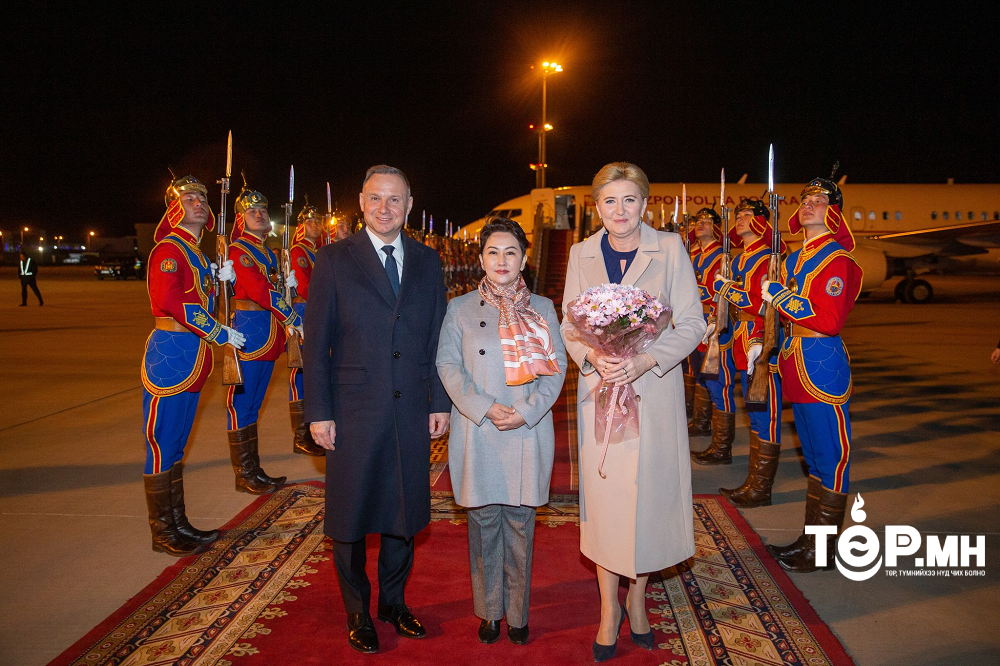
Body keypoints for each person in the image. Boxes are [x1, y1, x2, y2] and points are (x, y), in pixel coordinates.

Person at [303, 165, 451, 654]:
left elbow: (436, 339)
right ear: (361, 203)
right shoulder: (332, 260)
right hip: (352, 410)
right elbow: (316, 344)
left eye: (395, 200)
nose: (384, 208)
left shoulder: (429, 263)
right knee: (349, 517)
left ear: (409, 206)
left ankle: (393, 603)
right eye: (375, 199)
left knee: (402, 513)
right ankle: (357, 611)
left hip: (410, 408)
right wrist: (318, 411)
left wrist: (440, 401)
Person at [560, 162, 704, 661]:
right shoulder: (581, 253)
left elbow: (691, 324)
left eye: (629, 200)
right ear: (596, 207)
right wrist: (594, 356)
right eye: (609, 201)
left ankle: (638, 600)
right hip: (601, 395)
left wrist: (645, 360)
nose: (619, 211)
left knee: (646, 504)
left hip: (652, 395)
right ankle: (608, 609)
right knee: (605, 506)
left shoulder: (670, 248)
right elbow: (569, 324)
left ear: (645, 204)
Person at [436, 217, 566, 646]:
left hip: (526, 432)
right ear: (480, 260)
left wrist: (525, 411)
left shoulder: (544, 309)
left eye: (511, 252)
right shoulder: (459, 309)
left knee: (520, 527)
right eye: (493, 252)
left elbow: (556, 370)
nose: (502, 260)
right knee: (484, 525)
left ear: (524, 258)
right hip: (479, 431)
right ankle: (490, 612)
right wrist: (486, 407)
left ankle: (518, 613)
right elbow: (448, 367)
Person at [760, 176, 862, 573]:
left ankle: (822, 551)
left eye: (819, 200)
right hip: (795, 361)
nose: (808, 205)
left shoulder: (838, 260)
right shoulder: (796, 256)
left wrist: (781, 295)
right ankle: (810, 541)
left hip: (821, 364)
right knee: (815, 461)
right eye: (805, 199)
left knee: (832, 457)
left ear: (833, 211)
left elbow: (830, 319)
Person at [140, 174, 245, 556]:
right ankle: (163, 530)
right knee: (162, 441)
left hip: (191, 355)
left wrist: (225, 283)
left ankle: (178, 523)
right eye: (189, 199)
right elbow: (172, 302)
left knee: (177, 444)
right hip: (170, 354)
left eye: (202, 198)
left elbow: (206, 300)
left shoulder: (197, 253)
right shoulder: (169, 249)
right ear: (173, 208)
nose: (199, 203)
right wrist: (218, 332)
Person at [224, 180, 301, 494]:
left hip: (268, 334)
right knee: (243, 405)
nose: (259, 214)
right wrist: (292, 315)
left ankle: (253, 469)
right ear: (241, 219)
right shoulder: (238, 250)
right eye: (251, 211)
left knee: (254, 404)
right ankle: (244, 473)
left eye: (261, 210)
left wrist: (289, 287)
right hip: (249, 333)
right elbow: (259, 290)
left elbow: (276, 288)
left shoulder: (267, 251)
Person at [715, 199, 785, 507]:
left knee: (765, 413)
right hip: (742, 338)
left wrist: (727, 290)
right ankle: (753, 483)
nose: (739, 220)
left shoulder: (765, 258)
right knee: (755, 414)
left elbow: (762, 304)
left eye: (747, 215)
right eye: (739, 215)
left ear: (761, 222)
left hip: (759, 338)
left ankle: (761, 489)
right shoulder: (744, 257)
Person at [689, 208, 738, 465]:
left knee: (719, 382)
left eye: (707, 222)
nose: (701, 225)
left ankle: (722, 448)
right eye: (698, 221)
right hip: (697, 321)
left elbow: (716, 293)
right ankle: (704, 424)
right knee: (703, 376)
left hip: (714, 321)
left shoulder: (720, 256)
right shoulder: (698, 254)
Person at [287, 202, 326, 456]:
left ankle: (309, 431)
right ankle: (301, 436)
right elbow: (304, 286)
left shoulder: (317, 252)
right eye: (310, 222)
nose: (315, 225)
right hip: (302, 311)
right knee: (300, 375)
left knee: (313, 373)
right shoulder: (299, 251)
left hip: (315, 310)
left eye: (318, 221)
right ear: (301, 226)